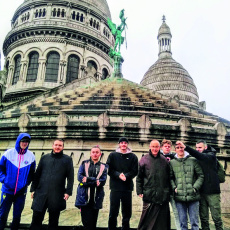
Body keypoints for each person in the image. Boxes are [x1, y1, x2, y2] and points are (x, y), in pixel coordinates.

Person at [176, 140, 224, 230]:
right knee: (204, 218)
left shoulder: (211, 156)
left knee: (216, 217)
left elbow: (201, 156)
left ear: (205, 147)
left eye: (200, 147)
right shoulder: (197, 157)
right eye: (196, 147)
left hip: (212, 192)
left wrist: (186, 147)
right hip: (201, 192)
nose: (197, 149)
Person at [29, 139, 74, 230]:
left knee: (53, 221)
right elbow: (37, 174)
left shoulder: (67, 160)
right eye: (56, 145)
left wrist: (68, 192)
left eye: (60, 145)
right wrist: (33, 189)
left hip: (56, 194)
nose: (57, 147)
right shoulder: (45, 158)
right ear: (52, 146)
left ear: (63, 147)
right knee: (36, 219)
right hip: (41, 192)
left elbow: (70, 177)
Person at [0, 133, 36, 230]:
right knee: (2, 214)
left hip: (21, 192)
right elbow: (1, 169)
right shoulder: (8, 153)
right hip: (7, 190)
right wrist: (4, 180)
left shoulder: (31, 156)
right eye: (23, 141)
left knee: (17, 216)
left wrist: (26, 183)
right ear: (19, 141)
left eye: (27, 142)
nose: (25, 143)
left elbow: (32, 173)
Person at [136, 139, 171, 230]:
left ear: (159, 148)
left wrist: (168, 192)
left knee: (162, 222)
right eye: (153, 146)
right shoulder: (144, 160)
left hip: (162, 195)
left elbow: (169, 177)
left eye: (157, 147)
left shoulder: (164, 160)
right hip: (149, 194)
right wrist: (139, 191)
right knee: (146, 220)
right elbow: (139, 177)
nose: (155, 149)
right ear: (150, 147)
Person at [170, 141, 204, 230]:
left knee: (194, 222)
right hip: (179, 198)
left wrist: (195, 188)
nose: (180, 149)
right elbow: (170, 177)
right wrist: (174, 187)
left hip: (193, 196)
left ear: (184, 148)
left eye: (181, 147)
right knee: (182, 223)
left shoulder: (193, 160)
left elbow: (200, 175)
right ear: (175, 150)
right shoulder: (172, 163)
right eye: (178, 148)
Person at [106, 137, 138, 230]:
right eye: (122, 143)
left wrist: (126, 176)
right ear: (119, 144)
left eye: (125, 143)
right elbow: (109, 170)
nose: (123, 144)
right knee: (113, 212)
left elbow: (135, 171)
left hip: (127, 188)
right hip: (115, 188)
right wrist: (118, 175)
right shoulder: (112, 155)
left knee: (127, 212)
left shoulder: (133, 156)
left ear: (127, 144)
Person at [75, 145, 108, 230]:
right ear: (90, 154)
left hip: (96, 198)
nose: (95, 154)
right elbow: (80, 178)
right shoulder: (84, 163)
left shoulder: (103, 167)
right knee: (85, 222)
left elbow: (102, 181)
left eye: (97, 152)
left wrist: (88, 179)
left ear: (100, 154)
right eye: (93, 152)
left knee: (93, 222)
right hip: (84, 197)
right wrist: (94, 180)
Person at [160, 139, 181, 230]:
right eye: (165, 146)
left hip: (173, 189)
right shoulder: (158, 157)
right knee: (161, 213)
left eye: (169, 146)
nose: (167, 148)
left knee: (177, 212)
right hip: (162, 189)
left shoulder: (175, 157)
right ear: (161, 147)